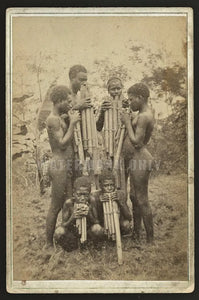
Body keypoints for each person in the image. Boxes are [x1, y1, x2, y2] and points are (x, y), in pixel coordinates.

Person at [44, 85, 81, 254]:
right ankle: (48, 244)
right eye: (67, 100)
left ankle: (66, 239)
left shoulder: (59, 117)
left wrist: (67, 119)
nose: (69, 103)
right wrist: (72, 123)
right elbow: (62, 143)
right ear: (58, 101)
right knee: (56, 205)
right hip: (58, 166)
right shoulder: (52, 119)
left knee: (68, 202)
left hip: (66, 165)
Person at [120, 83, 155, 243]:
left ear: (140, 98)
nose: (130, 102)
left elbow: (137, 142)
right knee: (134, 197)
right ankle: (136, 233)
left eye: (132, 99)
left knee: (141, 199)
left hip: (140, 159)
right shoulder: (142, 113)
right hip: (135, 160)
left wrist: (127, 122)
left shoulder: (144, 116)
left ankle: (150, 239)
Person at [54, 176, 104, 251]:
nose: (82, 198)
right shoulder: (69, 203)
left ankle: (91, 245)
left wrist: (89, 214)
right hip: (73, 233)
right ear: (74, 193)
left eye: (85, 195)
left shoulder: (92, 201)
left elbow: (97, 222)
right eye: (79, 194)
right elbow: (63, 225)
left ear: (89, 194)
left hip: (88, 232)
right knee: (59, 232)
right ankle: (72, 247)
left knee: (98, 229)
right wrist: (73, 217)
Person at [93, 170, 132, 235]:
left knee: (126, 225)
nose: (109, 188)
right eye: (106, 186)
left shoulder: (120, 194)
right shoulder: (95, 196)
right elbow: (95, 220)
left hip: (118, 223)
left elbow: (129, 217)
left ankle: (116, 234)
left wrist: (120, 202)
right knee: (96, 229)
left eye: (112, 185)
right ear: (100, 186)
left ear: (115, 184)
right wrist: (99, 203)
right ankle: (106, 235)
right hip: (102, 225)